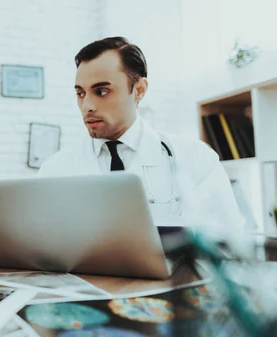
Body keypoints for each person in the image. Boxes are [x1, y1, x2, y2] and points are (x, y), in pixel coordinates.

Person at [39, 37, 245, 241]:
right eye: (80, 94)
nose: (87, 106)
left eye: (101, 91)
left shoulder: (197, 159)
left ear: (139, 90)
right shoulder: (55, 170)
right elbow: (41, 245)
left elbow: (227, 240)